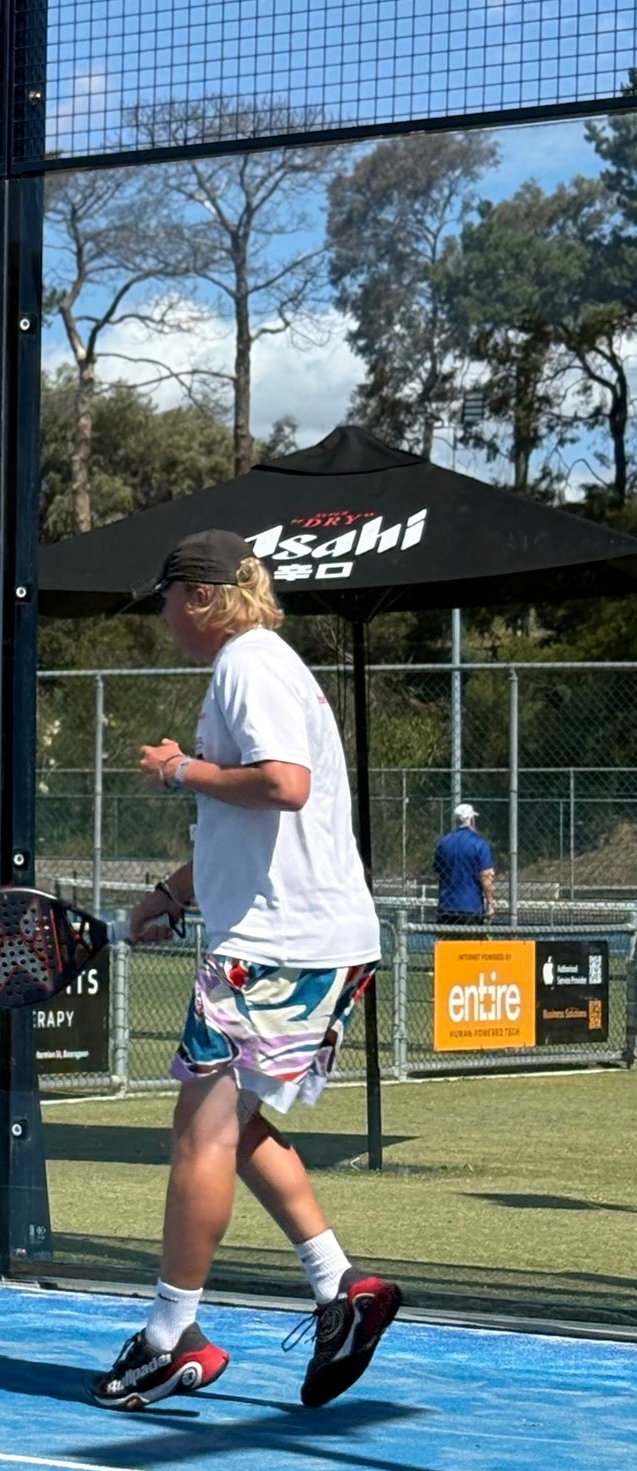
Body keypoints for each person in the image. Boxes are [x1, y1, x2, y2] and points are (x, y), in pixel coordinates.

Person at [93, 530, 403, 1413]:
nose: (162, 613)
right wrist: (172, 891)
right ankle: (341, 1286)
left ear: (199, 596)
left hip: (278, 946)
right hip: (303, 939)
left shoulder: (248, 663)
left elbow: (284, 784)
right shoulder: (265, 664)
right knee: (235, 1121)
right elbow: (256, 827)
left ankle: (169, 1339)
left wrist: (177, 771)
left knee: (201, 1132)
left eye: (166, 597)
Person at [433, 801, 496, 925]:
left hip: (446, 906)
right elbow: (486, 876)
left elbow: (438, 871)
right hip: (471, 906)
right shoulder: (479, 844)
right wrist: (490, 904)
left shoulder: (443, 843)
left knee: (447, 937)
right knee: (470, 938)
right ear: (471, 820)